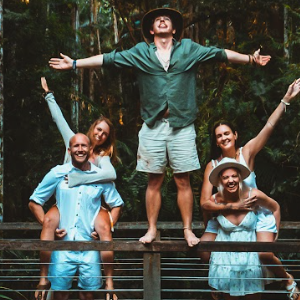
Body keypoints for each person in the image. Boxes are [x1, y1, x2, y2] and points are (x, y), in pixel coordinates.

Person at [48, 7, 271, 247]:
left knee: (182, 180)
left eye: (167, 19)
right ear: (152, 30)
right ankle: (152, 228)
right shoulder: (141, 52)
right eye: (157, 20)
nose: (162, 21)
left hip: (182, 125)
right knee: (154, 181)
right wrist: (74, 64)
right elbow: (108, 59)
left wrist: (251, 59)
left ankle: (187, 230)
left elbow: (220, 54)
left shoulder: (189, 49)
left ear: (174, 29)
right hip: (152, 126)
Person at [200, 79, 300, 298]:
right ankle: (219, 286)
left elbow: (269, 127)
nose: (224, 137)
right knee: (205, 252)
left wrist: (286, 99)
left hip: (256, 212)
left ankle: (286, 281)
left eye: (227, 133)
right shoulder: (213, 165)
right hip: (225, 214)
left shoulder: (246, 153)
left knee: (264, 253)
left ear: (235, 135)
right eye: (219, 135)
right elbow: (205, 202)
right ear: (216, 142)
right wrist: (230, 206)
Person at [34, 77, 122, 300]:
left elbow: (111, 180)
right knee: (50, 222)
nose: (100, 135)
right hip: (63, 199)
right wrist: (49, 95)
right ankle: (44, 277)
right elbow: (59, 120)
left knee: (102, 225)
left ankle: (106, 280)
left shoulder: (102, 160)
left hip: (87, 214)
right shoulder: (74, 141)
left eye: (105, 134)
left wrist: (81, 180)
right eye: (98, 130)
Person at [207, 157, 281, 299]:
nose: (231, 180)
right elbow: (206, 211)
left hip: (250, 256)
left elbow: (275, 207)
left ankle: (288, 280)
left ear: (240, 178)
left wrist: (274, 233)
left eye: (234, 176)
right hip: (226, 258)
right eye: (226, 177)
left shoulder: (253, 195)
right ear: (220, 181)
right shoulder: (215, 200)